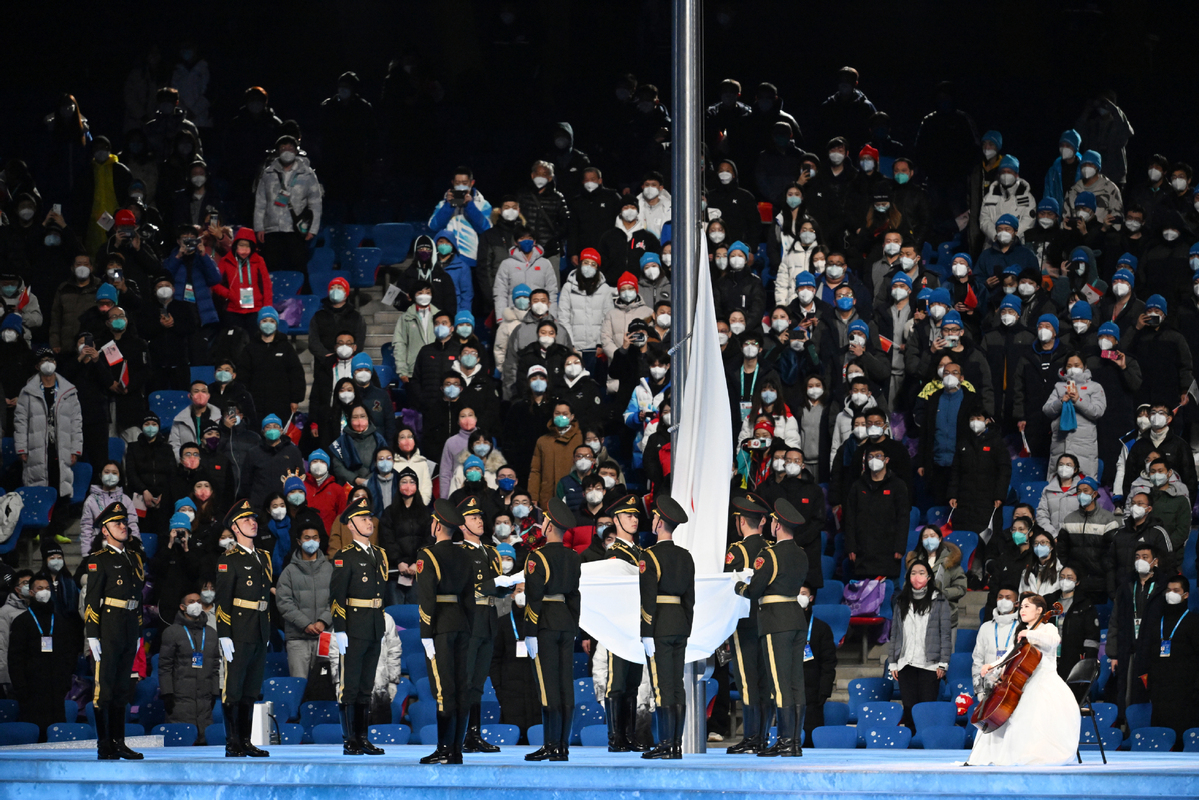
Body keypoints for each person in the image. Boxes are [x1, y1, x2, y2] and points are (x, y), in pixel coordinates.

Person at [967, 593, 1082, 766]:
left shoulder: (1047, 628)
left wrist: (1030, 633)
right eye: (1021, 607)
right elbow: (1010, 655)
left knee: (1028, 717)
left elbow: (1054, 641)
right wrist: (992, 665)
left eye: (1027, 606)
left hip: (1044, 682)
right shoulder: (1021, 633)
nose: (1022, 610)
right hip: (1024, 682)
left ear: (1040, 610)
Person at [734, 499, 808, 758]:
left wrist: (738, 587)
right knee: (796, 682)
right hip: (796, 618)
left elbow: (754, 590)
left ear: (776, 525)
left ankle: (785, 741)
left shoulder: (770, 555)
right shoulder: (801, 553)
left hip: (776, 621)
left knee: (779, 683)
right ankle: (794, 742)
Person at [455, 495, 522, 753]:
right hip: (470, 621)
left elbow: (496, 590)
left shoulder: (492, 552)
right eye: (473, 518)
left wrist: (507, 588)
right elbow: (464, 587)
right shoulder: (459, 552)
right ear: (462, 525)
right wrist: (496, 584)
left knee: (479, 683)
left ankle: (474, 733)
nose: (480, 521)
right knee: (467, 679)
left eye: (480, 516)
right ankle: (460, 734)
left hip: (489, 620)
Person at [82, 502, 146, 760]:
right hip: (108, 626)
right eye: (117, 523)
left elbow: (138, 595)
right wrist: (92, 634)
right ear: (105, 530)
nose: (124, 526)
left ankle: (119, 742)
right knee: (104, 688)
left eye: (124, 522)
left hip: (129, 625)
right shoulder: (99, 559)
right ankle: (104, 743)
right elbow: (92, 600)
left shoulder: (134, 556)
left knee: (122, 687)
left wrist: (139, 629)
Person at [522, 498, 581, 762]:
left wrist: (530, 631)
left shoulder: (537, 557)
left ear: (548, 526)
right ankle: (563, 745)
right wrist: (573, 624)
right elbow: (575, 596)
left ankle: (551, 744)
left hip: (544, 622)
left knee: (548, 686)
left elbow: (534, 598)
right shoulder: (573, 557)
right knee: (565, 684)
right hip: (566, 622)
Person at [328, 498, 388, 756]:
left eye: (370, 517)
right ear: (351, 525)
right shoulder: (345, 556)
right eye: (363, 518)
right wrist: (340, 628)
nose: (368, 522)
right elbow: (336, 595)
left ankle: (363, 737)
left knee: (366, 685)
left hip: (374, 624)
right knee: (349, 685)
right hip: (353, 625)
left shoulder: (380, 554)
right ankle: (349, 738)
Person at [215, 499, 273, 758]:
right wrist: (224, 633)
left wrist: (267, 629)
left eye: (254, 519)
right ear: (235, 527)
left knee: (251, 689)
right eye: (247, 520)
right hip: (238, 629)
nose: (253, 522)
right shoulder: (229, 559)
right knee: (234, 689)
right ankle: (233, 742)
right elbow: (223, 599)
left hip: (259, 628)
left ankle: (246, 741)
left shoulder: (264, 557)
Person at [416, 500, 473, 765]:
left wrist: (426, 633)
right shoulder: (465, 554)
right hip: (461, 622)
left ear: (437, 525)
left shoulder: (427, 555)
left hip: (439, 626)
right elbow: (470, 597)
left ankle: (443, 749)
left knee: (443, 690)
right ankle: (456, 750)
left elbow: (426, 598)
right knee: (461, 689)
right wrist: (468, 625)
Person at [638, 496, 693, 761]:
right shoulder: (685, 556)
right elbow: (690, 599)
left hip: (659, 624)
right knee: (677, 687)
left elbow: (647, 598)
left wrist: (646, 631)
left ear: (659, 523)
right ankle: (677, 744)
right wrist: (686, 627)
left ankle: (665, 745)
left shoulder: (649, 555)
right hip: (679, 624)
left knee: (661, 687)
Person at [721, 495, 773, 754]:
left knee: (747, 681)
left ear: (741, 522)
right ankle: (761, 736)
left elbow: (728, 586)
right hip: (767, 619)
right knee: (765, 681)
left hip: (744, 621)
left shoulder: (737, 551)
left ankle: (752, 737)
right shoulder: (771, 549)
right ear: (762, 522)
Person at [16, 349, 83, 543]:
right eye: (44, 360)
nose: (48, 363)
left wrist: (75, 449)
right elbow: (20, 422)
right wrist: (22, 448)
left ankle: (57, 530)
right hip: (36, 448)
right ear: (37, 366)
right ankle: (37, 529)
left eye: (51, 360)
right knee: (38, 487)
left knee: (61, 487)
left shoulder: (69, 391)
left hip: (61, 448)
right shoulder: (28, 391)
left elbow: (76, 422)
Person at [598, 495, 647, 751]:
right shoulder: (615, 553)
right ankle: (616, 737)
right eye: (628, 515)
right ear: (616, 520)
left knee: (632, 682)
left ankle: (628, 735)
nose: (634, 519)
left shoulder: (637, 552)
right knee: (617, 682)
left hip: (635, 623)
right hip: (619, 625)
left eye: (636, 515)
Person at [6, 575, 75, 740]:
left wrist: (65, 682)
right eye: (39, 588)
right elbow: (15, 658)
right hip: (31, 691)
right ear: (31, 592)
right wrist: (21, 688)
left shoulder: (59, 621)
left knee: (57, 733)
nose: (44, 592)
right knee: (35, 734)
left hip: (56, 690)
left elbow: (69, 653)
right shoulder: (22, 622)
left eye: (47, 588)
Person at [887, 559, 951, 732]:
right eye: (913, 573)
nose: (917, 577)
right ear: (908, 577)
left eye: (921, 573)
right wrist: (892, 662)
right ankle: (910, 744)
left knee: (927, 708)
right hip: (905, 662)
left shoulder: (939, 600)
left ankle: (925, 743)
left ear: (929, 577)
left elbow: (945, 634)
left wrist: (943, 662)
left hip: (930, 664)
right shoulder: (901, 600)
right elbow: (895, 634)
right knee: (909, 708)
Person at [253, 136, 322, 282]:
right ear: (278, 151)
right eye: (283, 148)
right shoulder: (268, 173)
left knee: (299, 268)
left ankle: (302, 301)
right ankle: (272, 301)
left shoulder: (308, 173)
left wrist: (313, 229)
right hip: (272, 230)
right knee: (271, 269)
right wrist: (259, 227)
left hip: (296, 231)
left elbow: (315, 203)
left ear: (296, 151)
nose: (287, 151)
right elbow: (260, 202)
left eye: (290, 148)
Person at [158, 588, 220, 744]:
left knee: (204, 747)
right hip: (180, 700)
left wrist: (214, 692)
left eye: (199, 602)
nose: (196, 605)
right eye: (191, 602)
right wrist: (167, 693)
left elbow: (215, 666)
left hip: (204, 702)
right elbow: (165, 666)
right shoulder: (172, 632)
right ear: (182, 607)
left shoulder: (211, 633)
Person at [1143, 575, 1199, 746]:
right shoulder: (1156, 622)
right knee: (1161, 733)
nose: (1171, 594)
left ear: (1186, 595)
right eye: (1168, 590)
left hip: (1185, 690)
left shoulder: (1194, 622)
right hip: (1160, 689)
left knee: (1182, 733)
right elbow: (1149, 654)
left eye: (1176, 591)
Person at [274, 523, 333, 679]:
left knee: (324, 686)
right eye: (307, 538)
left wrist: (323, 621)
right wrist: (305, 624)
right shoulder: (289, 572)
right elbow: (284, 602)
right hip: (297, 638)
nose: (311, 541)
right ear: (299, 542)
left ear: (320, 540)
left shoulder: (330, 569)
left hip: (324, 635)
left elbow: (336, 600)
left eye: (315, 538)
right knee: (299, 684)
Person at [844, 443, 909, 580]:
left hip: (888, 551)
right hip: (862, 552)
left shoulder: (898, 485)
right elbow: (849, 518)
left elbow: (903, 518)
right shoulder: (857, 486)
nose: (874, 459)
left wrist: (899, 547)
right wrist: (851, 547)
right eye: (871, 457)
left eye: (878, 456)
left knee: (886, 592)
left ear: (887, 460)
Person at [1043, 352, 1106, 479]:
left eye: (1077, 365)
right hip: (1060, 444)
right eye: (1069, 365)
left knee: (1084, 485)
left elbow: (1098, 411)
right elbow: (1047, 410)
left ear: (1084, 367)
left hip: (1084, 445)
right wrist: (1061, 401)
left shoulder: (1094, 387)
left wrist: (1078, 400)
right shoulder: (1059, 387)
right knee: (1057, 484)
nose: (1073, 368)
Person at [1057, 477, 1118, 603]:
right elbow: (1062, 549)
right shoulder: (1069, 519)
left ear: (1095, 494)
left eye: (1085, 490)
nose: (1081, 494)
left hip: (1099, 582)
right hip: (1075, 582)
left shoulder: (1108, 520)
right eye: (1079, 491)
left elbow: (1112, 553)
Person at [1046, 565, 1101, 682]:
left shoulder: (1085, 605)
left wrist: (1088, 661)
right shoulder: (1049, 601)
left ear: (1077, 582)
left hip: (1073, 657)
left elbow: (1091, 636)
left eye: (1069, 578)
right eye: (1062, 577)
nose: (1065, 580)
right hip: (1050, 656)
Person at [907, 527, 967, 627]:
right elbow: (907, 585)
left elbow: (961, 588)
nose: (929, 539)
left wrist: (941, 593)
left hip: (945, 615)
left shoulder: (951, 561)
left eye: (932, 536)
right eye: (925, 537)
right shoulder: (915, 562)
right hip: (918, 616)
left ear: (939, 539)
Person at [971, 586, 1021, 697]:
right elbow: (978, 659)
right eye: (1000, 597)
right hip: (988, 687)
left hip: (1013, 687)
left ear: (1016, 603)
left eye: (1008, 598)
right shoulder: (985, 627)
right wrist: (979, 690)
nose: (1003, 601)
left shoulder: (1021, 628)